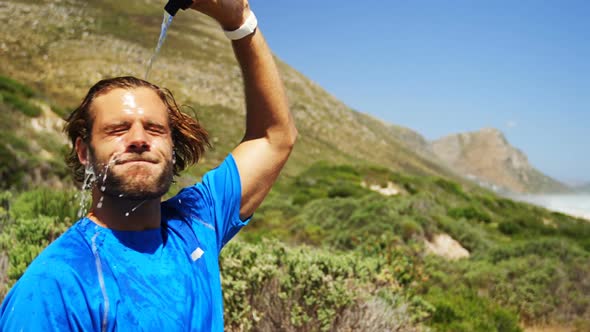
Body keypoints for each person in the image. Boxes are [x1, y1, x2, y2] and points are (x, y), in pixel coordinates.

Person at [0, 0, 297, 330]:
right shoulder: (56, 286)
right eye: (117, 129)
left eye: (155, 129)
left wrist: (240, 20)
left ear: (173, 148)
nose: (139, 139)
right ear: (84, 152)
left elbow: (275, 138)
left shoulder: (198, 222)